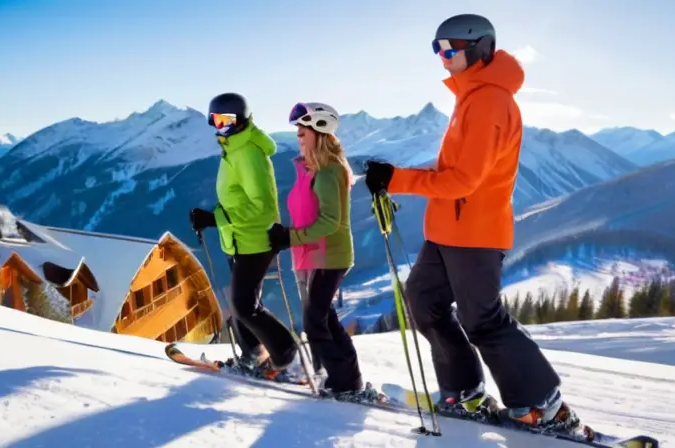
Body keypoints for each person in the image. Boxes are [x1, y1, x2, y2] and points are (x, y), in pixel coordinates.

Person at [363, 14, 580, 430]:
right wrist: (394, 174)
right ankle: (463, 392)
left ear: (478, 48)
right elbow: (454, 167)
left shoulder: (490, 101)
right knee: (425, 302)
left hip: (475, 233)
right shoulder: (470, 96)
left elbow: (465, 180)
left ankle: (541, 404)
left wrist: (396, 179)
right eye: (436, 49)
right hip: (446, 231)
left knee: (482, 319)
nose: (441, 58)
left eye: (449, 49)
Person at [189, 92, 307, 382]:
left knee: (244, 305)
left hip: (255, 239)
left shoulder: (248, 153)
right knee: (241, 302)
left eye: (227, 120)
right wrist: (212, 215)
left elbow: (260, 206)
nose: (221, 126)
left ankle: (286, 355)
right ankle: (252, 354)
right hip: (238, 239)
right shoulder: (233, 148)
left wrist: (215, 218)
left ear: (241, 120)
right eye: (216, 120)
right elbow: (235, 199)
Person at [267, 102, 368, 397]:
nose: (298, 133)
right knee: (324, 318)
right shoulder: (310, 169)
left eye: (303, 129)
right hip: (314, 254)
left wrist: (289, 238)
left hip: (330, 254)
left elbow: (329, 222)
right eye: (297, 129)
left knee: (315, 320)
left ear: (320, 131)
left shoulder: (329, 172)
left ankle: (343, 381)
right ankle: (347, 378)